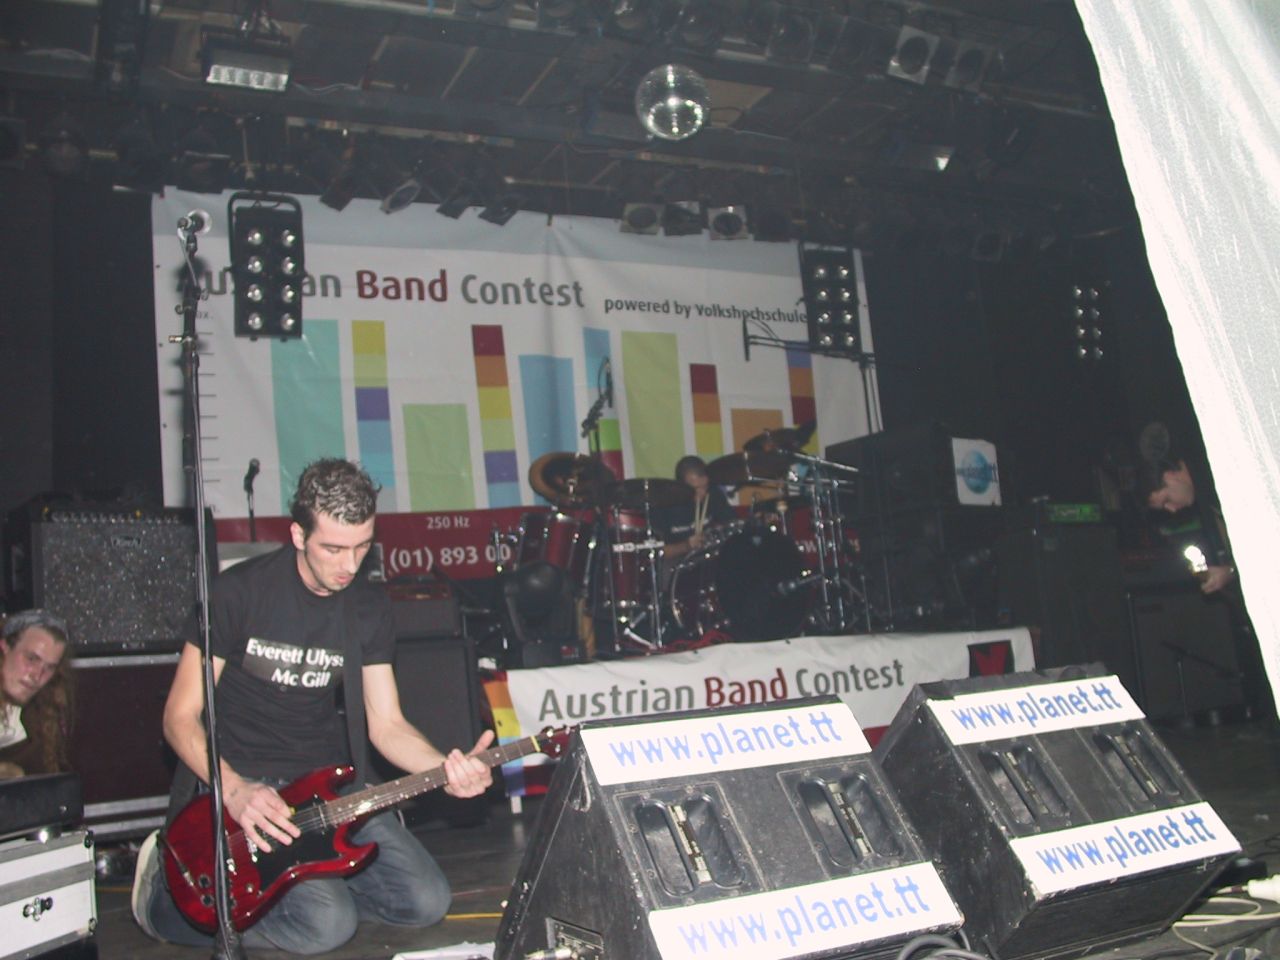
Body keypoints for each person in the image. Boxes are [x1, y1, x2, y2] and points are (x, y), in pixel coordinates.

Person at [132, 458, 494, 954]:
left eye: (362, 547)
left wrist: (444, 770)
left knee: (426, 901)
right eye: (334, 549)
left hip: (323, 788)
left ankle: (302, 887)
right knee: (327, 927)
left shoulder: (366, 608)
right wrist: (233, 789)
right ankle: (165, 900)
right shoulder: (238, 593)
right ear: (298, 535)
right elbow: (179, 716)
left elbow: (387, 724)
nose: (350, 565)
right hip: (245, 783)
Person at [0, 609, 73, 780]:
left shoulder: (40, 718)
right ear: (4, 647)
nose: (37, 676)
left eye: (49, 667)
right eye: (31, 659)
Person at [652, 455, 737, 561]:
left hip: (709, 557)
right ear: (680, 486)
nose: (702, 493)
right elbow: (658, 552)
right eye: (695, 489)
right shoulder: (663, 505)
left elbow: (732, 527)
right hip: (676, 561)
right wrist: (687, 545)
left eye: (705, 486)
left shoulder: (713, 494)